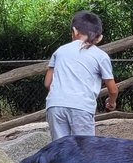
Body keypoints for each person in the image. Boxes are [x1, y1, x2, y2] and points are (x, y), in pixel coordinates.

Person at [46, 10, 119, 139]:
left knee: (60, 148)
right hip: (81, 106)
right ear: (99, 37)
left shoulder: (60, 51)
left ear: (74, 31)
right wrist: (111, 102)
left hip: (55, 105)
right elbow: (112, 89)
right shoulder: (100, 56)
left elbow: (48, 83)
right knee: (85, 149)